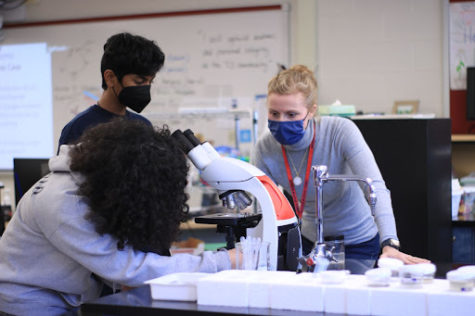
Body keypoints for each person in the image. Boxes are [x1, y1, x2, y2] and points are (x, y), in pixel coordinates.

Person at [0, 119, 236, 315]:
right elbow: (129, 269)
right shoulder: (62, 203)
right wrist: (226, 261)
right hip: (30, 304)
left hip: (64, 297)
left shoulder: (93, 183)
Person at [252, 65, 428, 274]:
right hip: (310, 243)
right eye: (274, 113)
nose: (282, 121)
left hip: (358, 243)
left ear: (311, 111)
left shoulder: (339, 132)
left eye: (291, 114)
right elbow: (262, 205)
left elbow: (375, 187)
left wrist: (390, 242)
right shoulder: (265, 148)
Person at [57, 32, 165, 151]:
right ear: (110, 77)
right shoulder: (78, 128)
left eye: (151, 82)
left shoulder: (144, 126)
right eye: (139, 81)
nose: (146, 88)